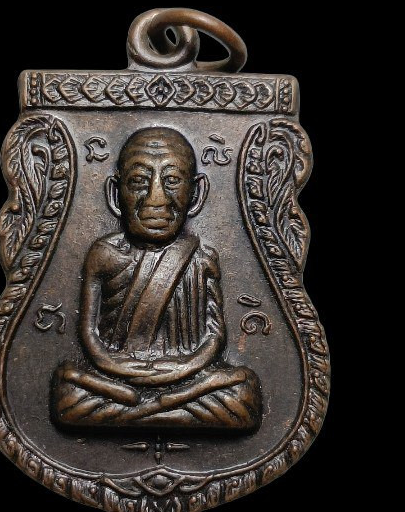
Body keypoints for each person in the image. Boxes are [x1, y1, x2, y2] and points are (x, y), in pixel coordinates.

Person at [52, 127, 262, 430]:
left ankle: (140, 412)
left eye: (172, 180)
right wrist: (117, 366)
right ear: (115, 193)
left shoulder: (202, 257)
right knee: (68, 386)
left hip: (184, 375)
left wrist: (183, 368)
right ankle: (165, 409)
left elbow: (214, 337)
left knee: (242, 389)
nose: (156, 198)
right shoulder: (104, 254)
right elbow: (89, 334)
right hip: (117, 375)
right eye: (139, 181)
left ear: (196, 193)